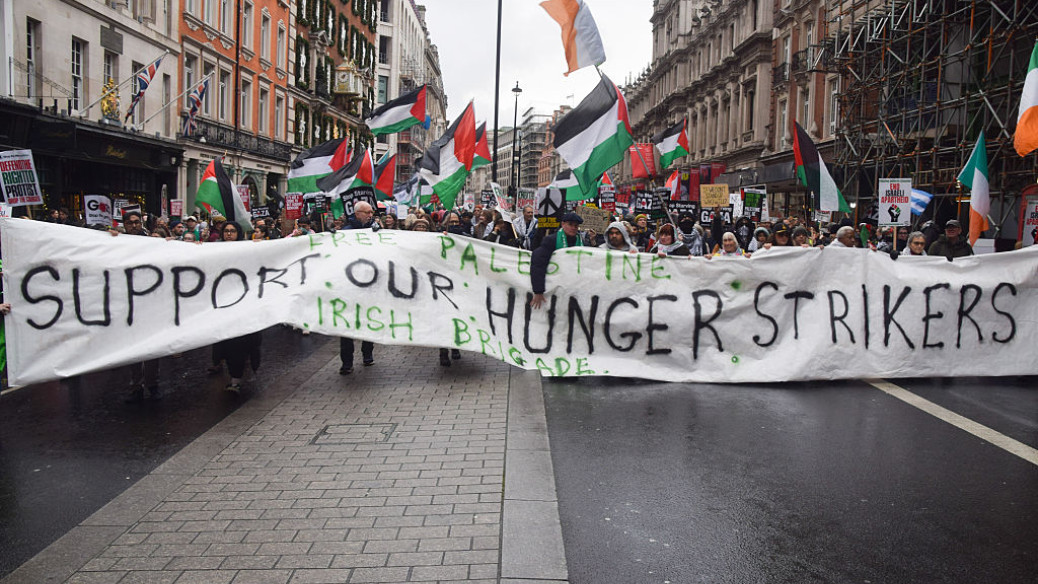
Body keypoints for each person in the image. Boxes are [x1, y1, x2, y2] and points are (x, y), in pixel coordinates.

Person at [338, 202, 378, 374]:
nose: (370, 215)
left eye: (372, 212)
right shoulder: (346, 233)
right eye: (367, 212)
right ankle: (347, 362)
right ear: (357, 214)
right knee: (346, 325)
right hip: (349, 286)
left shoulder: (377, 232)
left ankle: (367, 354)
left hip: (369, 285)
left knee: (368, 320)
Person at [530, 212, 584, 309]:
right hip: (555, 288)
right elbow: (538, 264)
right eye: (570, 224)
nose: (573, 228)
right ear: (563, 224)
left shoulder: (582, 241)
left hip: (574, 289)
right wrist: (538, 291)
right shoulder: (551, 240)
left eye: (576, 226)